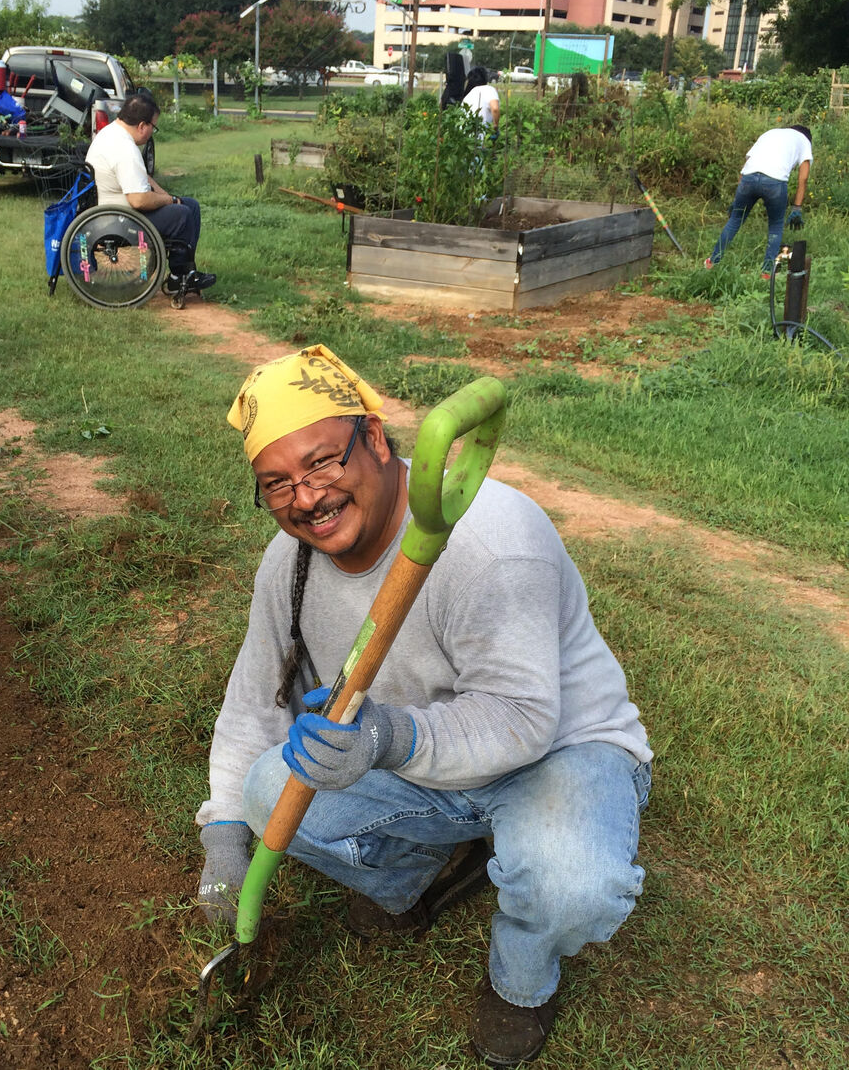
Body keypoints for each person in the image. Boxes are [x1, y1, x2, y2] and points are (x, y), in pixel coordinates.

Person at [196, 344, 652, 1067]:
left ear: (374, 439)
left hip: (558, 750)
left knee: (571, 884)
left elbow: (520, 720)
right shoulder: (290, 565)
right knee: (261, 792)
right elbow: (255, 699)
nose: (305, 498)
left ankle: (523, 980)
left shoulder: (492, 542)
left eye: (321, 463)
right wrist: (223, 832)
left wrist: (383, 736)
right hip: (412, 755)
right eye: (276, 484)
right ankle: (411, 875)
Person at [85, 91, 215, 293]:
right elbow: (139, 200)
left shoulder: (110, 133)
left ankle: (184, 273)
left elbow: (142, 178)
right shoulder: (125, 150)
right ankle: (179, 276)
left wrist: (168, 196)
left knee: (191, 205)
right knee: (182, 214)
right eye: (153, 127)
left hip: (110, 210)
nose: (152, 132)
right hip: (120, 220)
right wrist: (170, 201)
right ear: (142, 126)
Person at [705, 124, 812, 280]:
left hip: (748, 178)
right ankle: (767, 273)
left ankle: (712, 262)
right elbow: (803, 177)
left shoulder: (770, 133)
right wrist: (797, 207)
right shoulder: (805, 141)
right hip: (774, 182)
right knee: (775, 225)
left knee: (735, 219)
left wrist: (737, 201)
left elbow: (746, 165)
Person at [460, 66, 500, 138]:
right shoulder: (489, 89)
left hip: (464, 140)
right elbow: (495, 109)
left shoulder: (467, 95)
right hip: (479, 140)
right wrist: (495, 127)